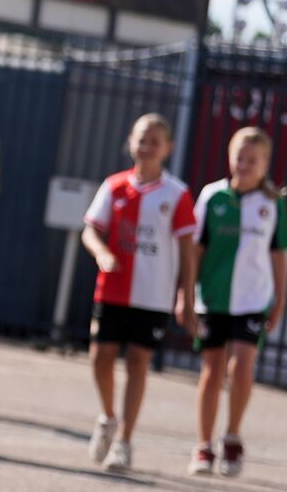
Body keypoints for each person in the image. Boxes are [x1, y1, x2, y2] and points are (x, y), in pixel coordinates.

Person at [79, 113, 198, 473]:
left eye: (154, 141)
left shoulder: (176, 194)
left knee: (137, 363)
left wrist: (186, 298)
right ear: (131, 142)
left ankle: (125, 440)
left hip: (153, 295)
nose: (146, 147)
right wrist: (102, 253)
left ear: (168, 148)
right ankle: (108, 418)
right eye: (141, 139)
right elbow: (90, 230)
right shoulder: (114, 186)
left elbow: (188, 250)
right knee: (100, 357)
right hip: (112, 290)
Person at [190, 128, 287, 476]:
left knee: (241, 366)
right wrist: (185, 293)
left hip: (253, 299)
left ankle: (232, 435)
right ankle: (204, 445)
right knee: (212, 369)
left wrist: (280, 300)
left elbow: (279, 254)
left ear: (265, 164)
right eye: (240, 157)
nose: (245, 164)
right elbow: (196, 249)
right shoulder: (212, 197)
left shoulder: (273, 201)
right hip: (213, 297)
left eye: (253, 160)